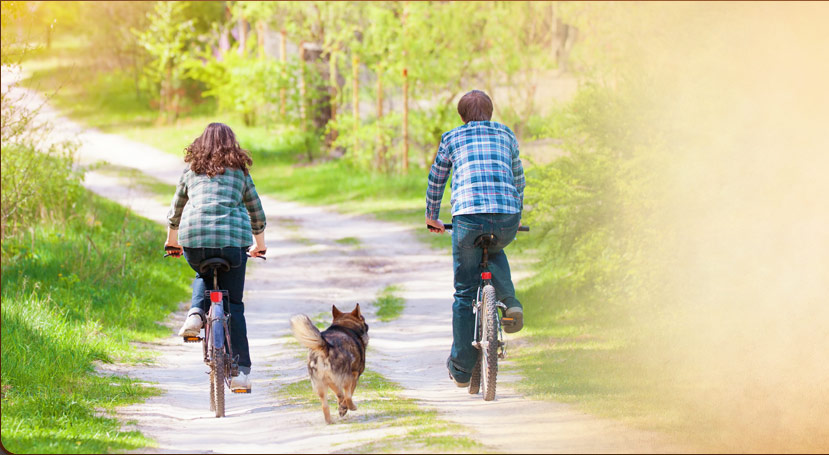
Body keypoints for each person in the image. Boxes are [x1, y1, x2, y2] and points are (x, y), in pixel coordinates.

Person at [425, 90, 525, 388]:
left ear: (462, 116)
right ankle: (509, 302)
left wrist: (432, 216)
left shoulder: (452, 137)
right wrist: (515, 214)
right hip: (506, 216)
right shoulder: (507, 135)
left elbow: (437, 177)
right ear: (491, 113)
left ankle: (461, 369)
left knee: (465, 292)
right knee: (493, 248)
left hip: (468, 218)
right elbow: (518, 177)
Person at [164, 122, 267, 392]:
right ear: (232, 144)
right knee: (233, 303)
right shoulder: (240, 173)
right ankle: (240, 373)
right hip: (233, 244)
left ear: (201, 144)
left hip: (195, 240)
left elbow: (176, 208)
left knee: (203, 273)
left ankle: (196, 314)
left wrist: (171, 242)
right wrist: (260, 245)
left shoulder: (191, 170)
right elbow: (256, 211)